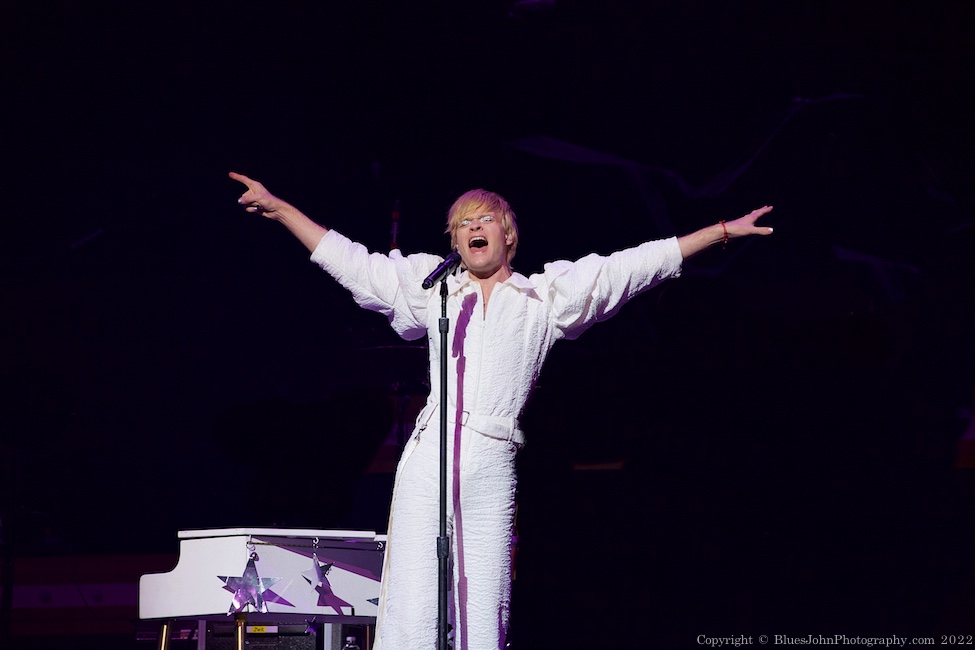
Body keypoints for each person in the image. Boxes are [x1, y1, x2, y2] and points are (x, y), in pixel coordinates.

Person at [229, 171, 773, 650]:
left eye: (485, 218)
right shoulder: (437, 291)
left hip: (492, 459)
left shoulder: (544, 297)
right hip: (430, 455)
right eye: (462, 223)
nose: (473, 227)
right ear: (455, 241)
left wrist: (719, 232)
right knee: (413, 596)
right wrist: (280, 209)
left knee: (482, 600)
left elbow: (630, 267)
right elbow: (352, 262)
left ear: (508, 235)